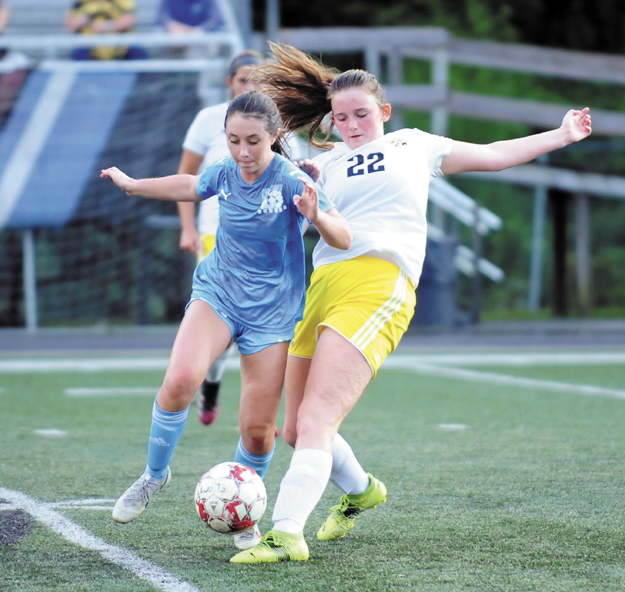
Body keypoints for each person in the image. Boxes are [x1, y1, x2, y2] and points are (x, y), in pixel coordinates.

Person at [229, 43, 593, 563]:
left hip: (379, 283)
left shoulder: (412, 144)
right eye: (341, 117)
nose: (352, 125)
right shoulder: (322, 164)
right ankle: (361, 492)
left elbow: (491, 154)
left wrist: (561, 134)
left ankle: (285, 533)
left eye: (361, 114)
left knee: (316, 419)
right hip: (322, 288)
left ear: (384, 112)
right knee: (294, 429)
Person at [100, 90, 351, 551]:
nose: (242, 152)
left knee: (257, 431)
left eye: (253, 141)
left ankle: (246, 509)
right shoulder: (226, 173)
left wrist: (317, 217)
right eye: (233, 140)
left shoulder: (294, 180)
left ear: (275, 137)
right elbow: (189, 184)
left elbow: (344, 233)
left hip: (273, 313)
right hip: (219, 293)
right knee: (179, 380)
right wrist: (134, 185)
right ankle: (154, 476)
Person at [177, 50, 264, 426]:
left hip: (265, 240)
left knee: (267, 327)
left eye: (258, 79)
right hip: (218, 237)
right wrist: (187, 227)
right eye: (244, 79)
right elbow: (186, 177)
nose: (251, 86)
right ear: (230, 83)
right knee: (226, 329)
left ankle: (259, 411)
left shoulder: (276, 122)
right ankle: (211, 384)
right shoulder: (208, 119)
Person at [64, 0, 148, 61]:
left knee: (139, 54)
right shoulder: (81, 2)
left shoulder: (121, 1)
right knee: (78, 54)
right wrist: (83, 19)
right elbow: (70, 25)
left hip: (121, 46)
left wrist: (106, 26)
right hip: (90, 46)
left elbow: (129, 20)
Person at [156, 0, 223, 33]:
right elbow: (161, 16)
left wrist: (196, 31)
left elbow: (215, 20)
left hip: (200, 37)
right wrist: (172, 26)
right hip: (174, 36)